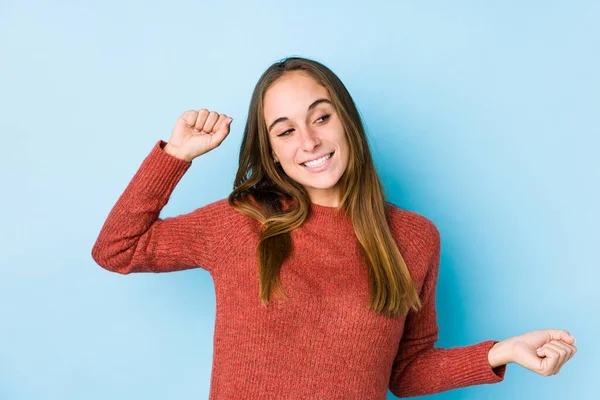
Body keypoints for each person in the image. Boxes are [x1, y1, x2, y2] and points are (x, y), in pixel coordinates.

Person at [91, 56, 576, 399]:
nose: (308, 140)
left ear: (346, 122)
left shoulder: (413, 237)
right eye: (285, 130)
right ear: (272, 151)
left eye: (320, 117)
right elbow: (117, 249)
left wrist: (503, 351)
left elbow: (406, 373)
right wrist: (174, 157)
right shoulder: (242, 222)